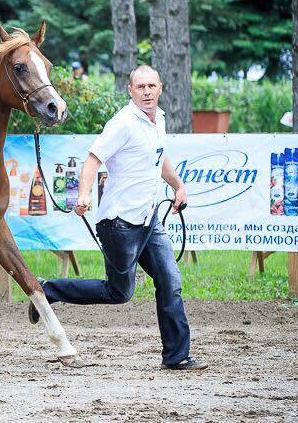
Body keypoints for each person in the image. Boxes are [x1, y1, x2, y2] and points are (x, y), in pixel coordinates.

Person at [28, 65, 207, 371]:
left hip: (149, 221)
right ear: (130, 91)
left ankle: (177, 356)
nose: (147, 91)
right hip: (119, 224)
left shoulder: (159, 119)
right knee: (119, 293)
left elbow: (159, 157)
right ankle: (49, 289)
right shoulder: (123, 123)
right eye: (141, 87)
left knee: (170, 281)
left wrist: (178, 186)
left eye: (152, 86)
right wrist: (83, 194)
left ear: (161, 87)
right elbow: (92, 160)